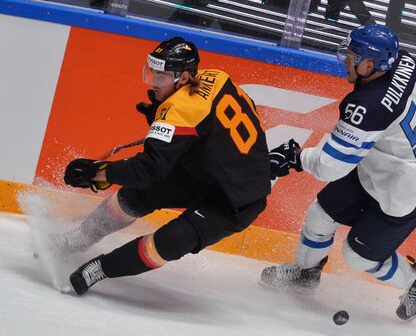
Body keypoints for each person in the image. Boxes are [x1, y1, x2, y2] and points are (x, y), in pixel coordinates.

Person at [260, 24, 416, 321]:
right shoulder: (406, 61)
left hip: (409, 191)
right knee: (320, 216)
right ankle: (305, 275)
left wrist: (296, 158)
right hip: (381, 168)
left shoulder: (368, 106)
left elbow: (329, 166)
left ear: (370, 65)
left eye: (351, 57)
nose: (345, 61)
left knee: (357, 257)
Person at [59, 37, 271, 295]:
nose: (152, 82)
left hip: (237, 197)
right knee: (134, 197)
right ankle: (82, 236)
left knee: (172, 241)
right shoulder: (215, 76)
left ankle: (101, 268)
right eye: (151, 72)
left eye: (160, 76)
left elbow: (148, 168)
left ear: (182, 78)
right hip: (202, 170)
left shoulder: (180, 108)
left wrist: (99, 171)